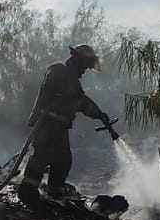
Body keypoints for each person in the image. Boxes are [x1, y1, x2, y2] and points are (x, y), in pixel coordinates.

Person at [19, 44, 116, 206]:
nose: (85, 71)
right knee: (43, 155)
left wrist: (100, 115)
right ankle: (27, 190)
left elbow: (84, 104)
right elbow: (52, 86)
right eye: (85, 66)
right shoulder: (58, 69)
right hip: (46, 121)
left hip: (60, 126)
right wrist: (71, 94)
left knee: (64, 160)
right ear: (77, 60)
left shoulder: (74, 83)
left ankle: (55, 192)